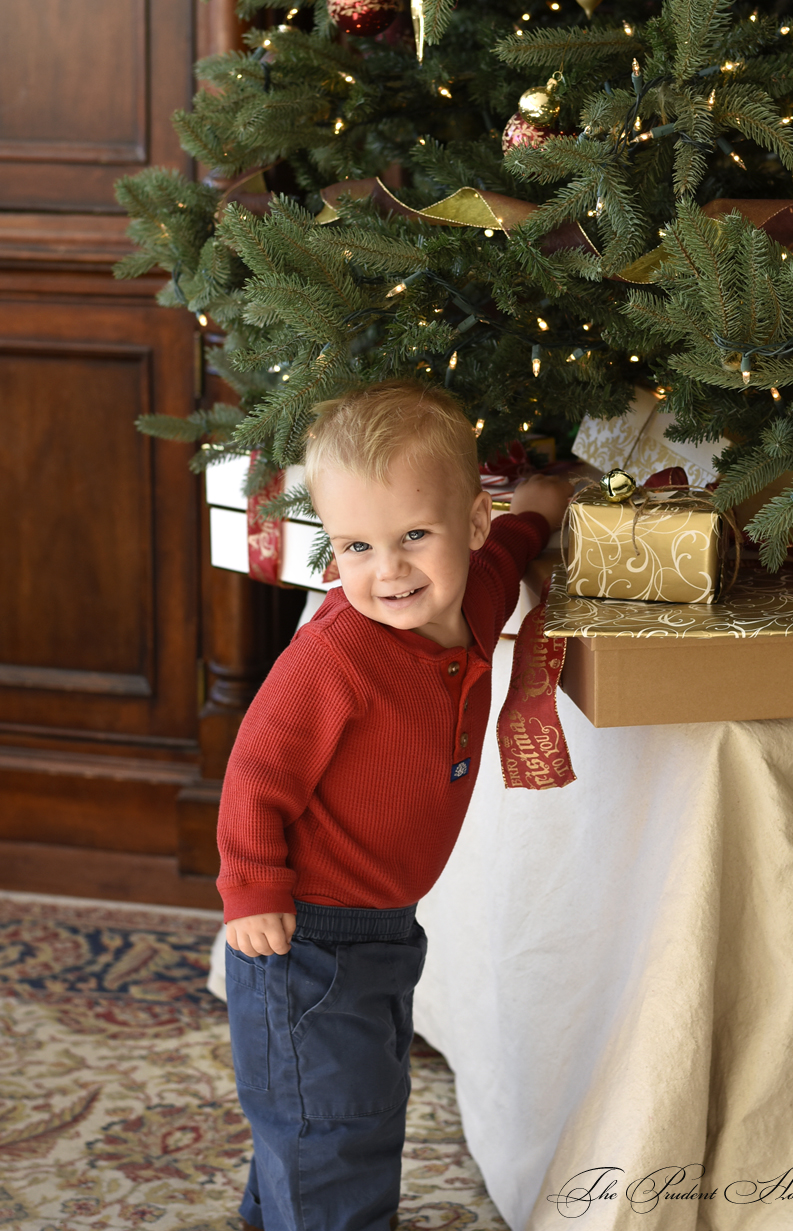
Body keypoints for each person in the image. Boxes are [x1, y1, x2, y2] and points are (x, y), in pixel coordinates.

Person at [217, 378, 572, 1231]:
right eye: (356, 547)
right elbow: (256, 771)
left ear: (471, 525)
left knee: (334, 1115)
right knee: (334, 1134)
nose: (390, 570)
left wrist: (537, 512)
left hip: (384, 927)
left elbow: (505, 552)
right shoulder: (334, 657)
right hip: (304, 939)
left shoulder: (474, 598)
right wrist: (253, 885)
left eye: (415, 535)